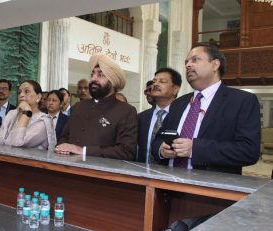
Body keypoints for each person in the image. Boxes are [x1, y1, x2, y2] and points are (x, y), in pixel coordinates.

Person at [152, 44, 260, 174]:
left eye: (195, 60)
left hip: (210, 189)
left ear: (215, 64)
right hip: (168, 185)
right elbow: (158, 139)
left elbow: (248, 151)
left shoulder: (242, 101)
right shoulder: (178, 103)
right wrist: (161, 150)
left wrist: (195, 149)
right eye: (186, 62)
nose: (188, 65)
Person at [55, 54, 138, 160]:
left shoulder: (126, 111)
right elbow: (64, 135)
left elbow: (127, 152)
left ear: (113, 82)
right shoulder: (79, 106)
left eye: (101, 75)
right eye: (92, 74)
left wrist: (84, 151)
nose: (93, 79)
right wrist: (63, 148)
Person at [0, 80, 56, 150]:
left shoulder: (44, 121)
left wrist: (26, 113)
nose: (21, 95)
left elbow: (16, 145)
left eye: (27, 91)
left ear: (38, 97)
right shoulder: (12, 113)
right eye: (19, 92)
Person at [137, 68, 182, 163]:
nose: (156, 84)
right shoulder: (141, 117)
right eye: (154, 81)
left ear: (175, 89)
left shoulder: (183, 117)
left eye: (162, 81)